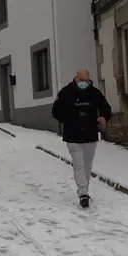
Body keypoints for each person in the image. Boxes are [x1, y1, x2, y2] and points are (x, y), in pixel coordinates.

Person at [51, 69, 113, 208]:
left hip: (90, 134)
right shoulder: (65, 93)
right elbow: (56, 110)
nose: (84, 83)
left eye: (86, 80)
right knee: (78, 164)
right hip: (73, 135)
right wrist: (68, 120)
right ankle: (83, 193)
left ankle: (85, 189)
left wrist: (103, 118)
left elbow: (105, 108)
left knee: (87, 165)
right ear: (75, 79)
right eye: (81, 80)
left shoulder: (95, 93)